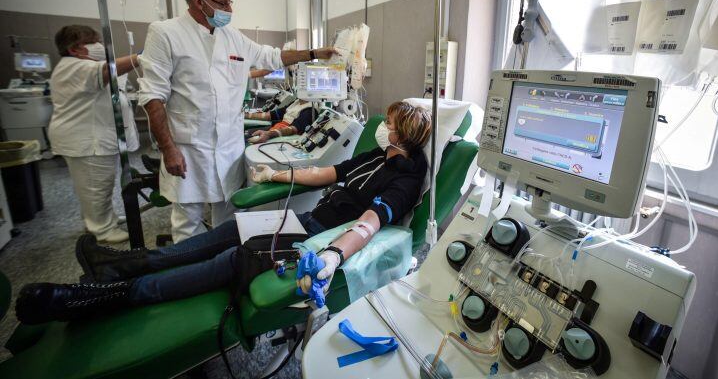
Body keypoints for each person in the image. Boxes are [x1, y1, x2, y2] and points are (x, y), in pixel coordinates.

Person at [15, 102, 432, 323]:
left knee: (232, 259)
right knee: (228, 231)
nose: (384, 127)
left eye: (390, 123)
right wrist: (280, 172)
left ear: (402, 134)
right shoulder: (375, 154)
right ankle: (121, 264)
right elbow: (327, 172)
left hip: (318, 239)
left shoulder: (405, 179)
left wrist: (332, 256)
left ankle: (107, 295)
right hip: (304, 221)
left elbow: (369, 223)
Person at [138, 0, 337, 242]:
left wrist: (314, 53)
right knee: (187, 222)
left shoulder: (232, 37)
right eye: (223, 3)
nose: (229, 9)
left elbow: (272, 57)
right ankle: (189, 279)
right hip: (189, 148)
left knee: (229, 217)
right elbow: (152, 97)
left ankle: (221, 266)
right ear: (199, 2)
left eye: (231, 2)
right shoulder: (165, 34)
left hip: (229, 146)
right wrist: (168, 149)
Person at [47, 25, 140, 244]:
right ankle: (101, 229)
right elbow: (108, 70)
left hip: (93, 137)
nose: (98, 46)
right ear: (74, 49)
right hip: (86, 140)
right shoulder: (74, 67)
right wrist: (141, 57)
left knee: (101, 184)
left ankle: (102, 219)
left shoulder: (81, 65)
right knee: (95, 186)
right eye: (91, 42)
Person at [246, 99, 315, 144]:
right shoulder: (295, 102)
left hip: (284, 135)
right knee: (247, 134)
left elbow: (294, 129)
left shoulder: (310, 109)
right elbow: (270, 115)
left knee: (248, 138)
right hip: (276, 128)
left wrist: (268, 134)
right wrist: (246, 115)